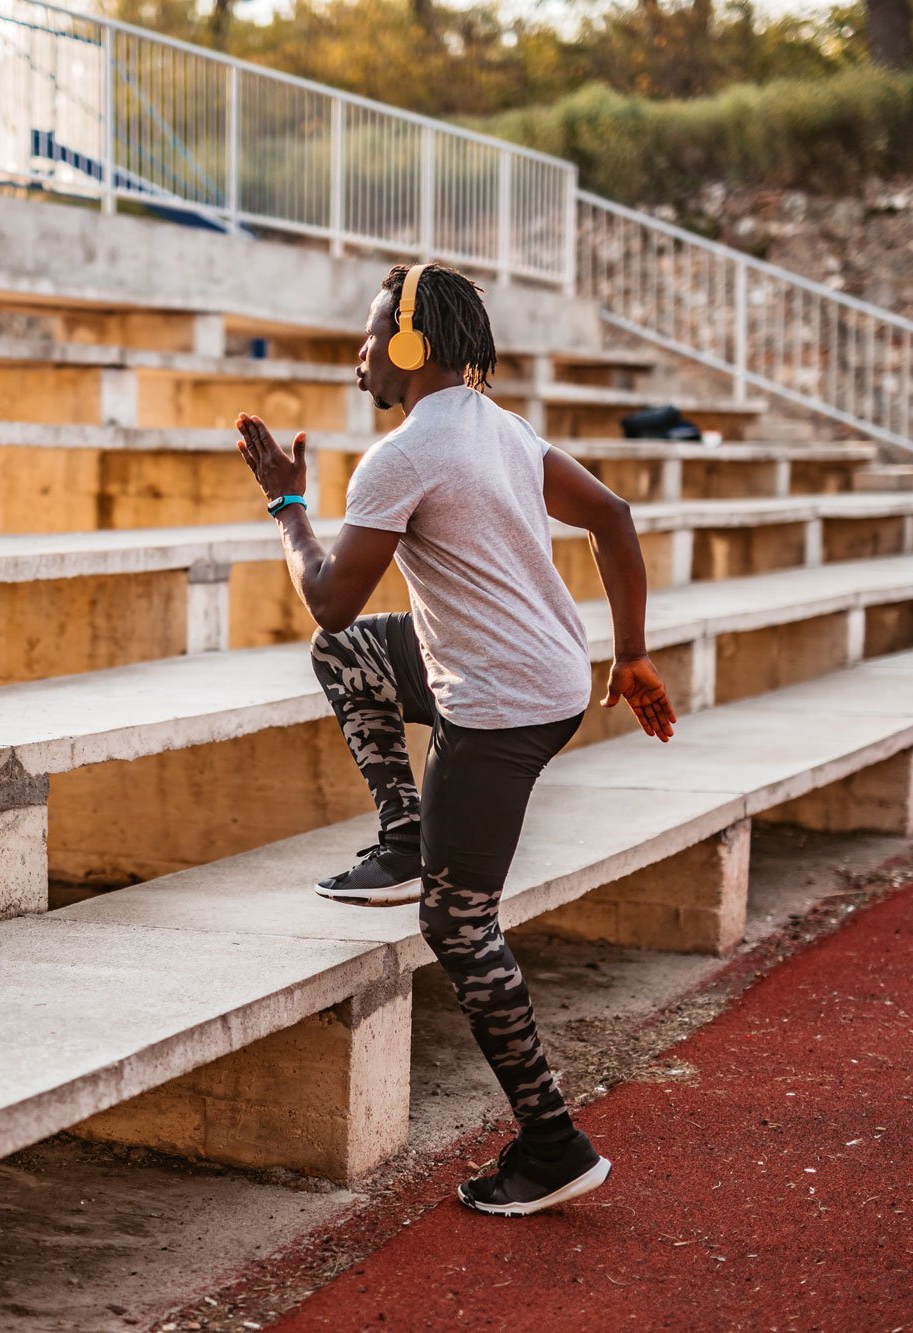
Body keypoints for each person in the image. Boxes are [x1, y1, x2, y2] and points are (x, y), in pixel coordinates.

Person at [233, 261, 675, 1216]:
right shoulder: (500, 427)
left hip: (503, 703)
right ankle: (406, 835)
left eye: (367, 337)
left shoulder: (402, 454)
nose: (358, 355)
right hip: (542, 674)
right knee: (349, 656)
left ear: (404, 345)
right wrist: (629, 651)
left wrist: (286, 506)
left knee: (458, 923)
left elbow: (326, 591)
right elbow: (612, 515)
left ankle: (552, 1143)